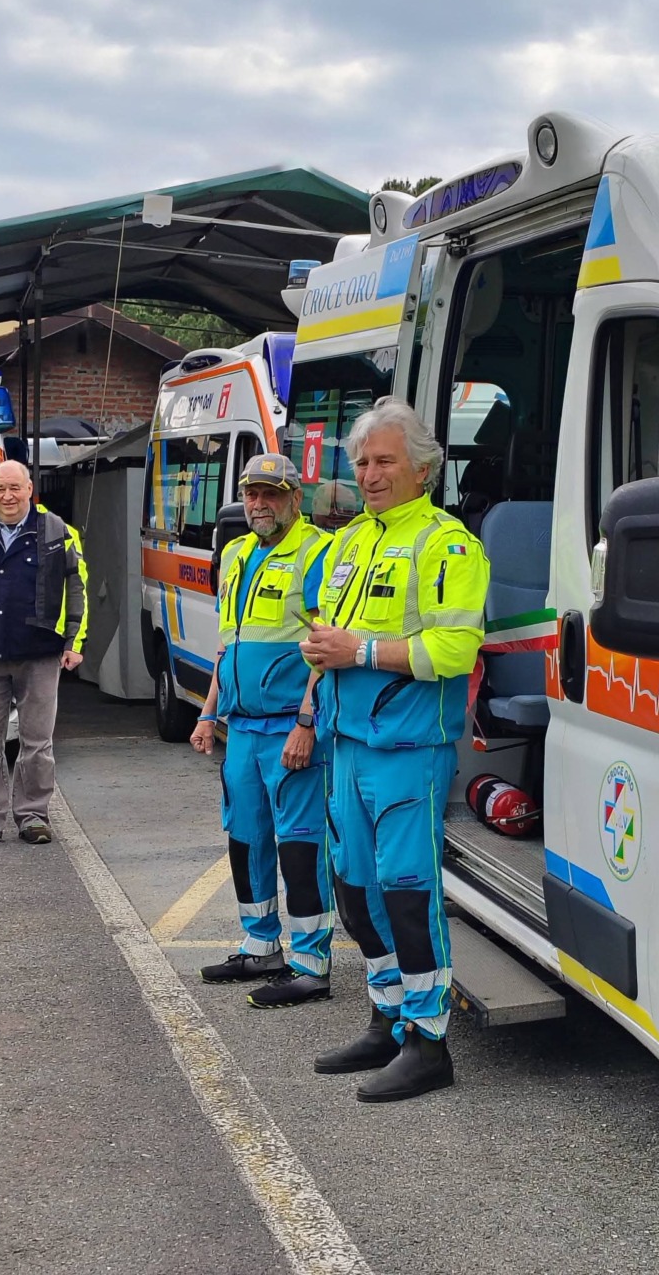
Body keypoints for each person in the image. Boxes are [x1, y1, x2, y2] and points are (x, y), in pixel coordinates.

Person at [303, 397, 490, 1102]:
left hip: (409, 745)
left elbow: (454, 647)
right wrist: (320, 652)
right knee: (354, 890)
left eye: (384, 461)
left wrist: (362, 650)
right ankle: (385, 1015)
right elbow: (331, 628)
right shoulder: (351, 541)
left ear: (421, 468)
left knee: (409, 896)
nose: (370, 474)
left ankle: (429, 1039)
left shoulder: (448, 545)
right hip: (347, 742)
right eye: (361, 461)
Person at [191, 453, 336, 1010]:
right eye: (252, 494)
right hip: (242, 730)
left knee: (299, 843)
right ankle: (259, 945)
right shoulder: (235, 553)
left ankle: (310, 961)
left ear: (295, 498)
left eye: (271, 494)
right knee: (245, 835)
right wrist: (208, 713)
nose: (259, 504)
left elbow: (326, 650)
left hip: (290, 727)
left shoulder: (317, 552)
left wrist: (307, 722)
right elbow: (227, 644)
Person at [0, 460, 88, 848]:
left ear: (29, 488)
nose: (7, 496)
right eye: (0, 489)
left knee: (37, 742)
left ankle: (33, 816)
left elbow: (78, 588)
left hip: (40, 653)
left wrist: (75, 641)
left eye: (14, 488)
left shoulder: (57, 531)